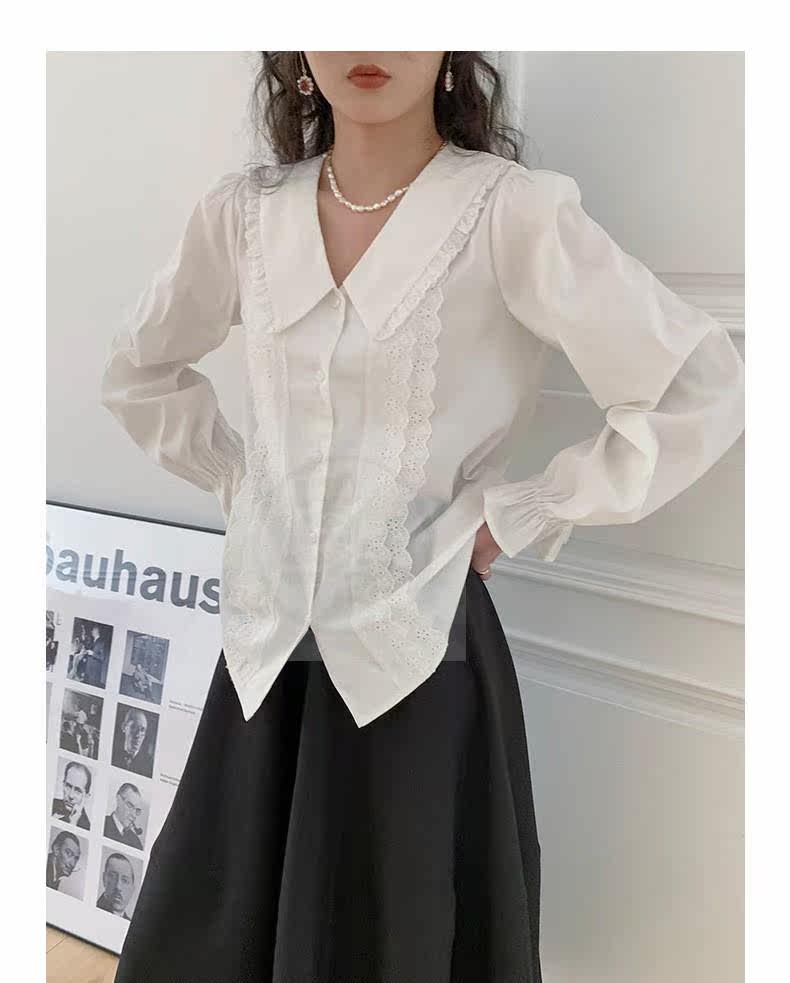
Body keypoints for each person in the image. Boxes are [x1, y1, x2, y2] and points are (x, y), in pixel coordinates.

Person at [101, 52, 745, 983]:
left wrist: (523, 512)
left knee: (395, 934)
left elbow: (699, 384)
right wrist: (246, 481)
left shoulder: (508, 214)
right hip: (265, 666)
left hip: (420, 664)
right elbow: (138, 370)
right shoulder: (244, 217)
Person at [51, 759, 92, 830]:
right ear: (63, 784)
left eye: (78, 790)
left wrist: (73, 823)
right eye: (68, 786)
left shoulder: (86, 826)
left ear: (86, 797)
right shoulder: (52, 803)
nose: (71, 795)